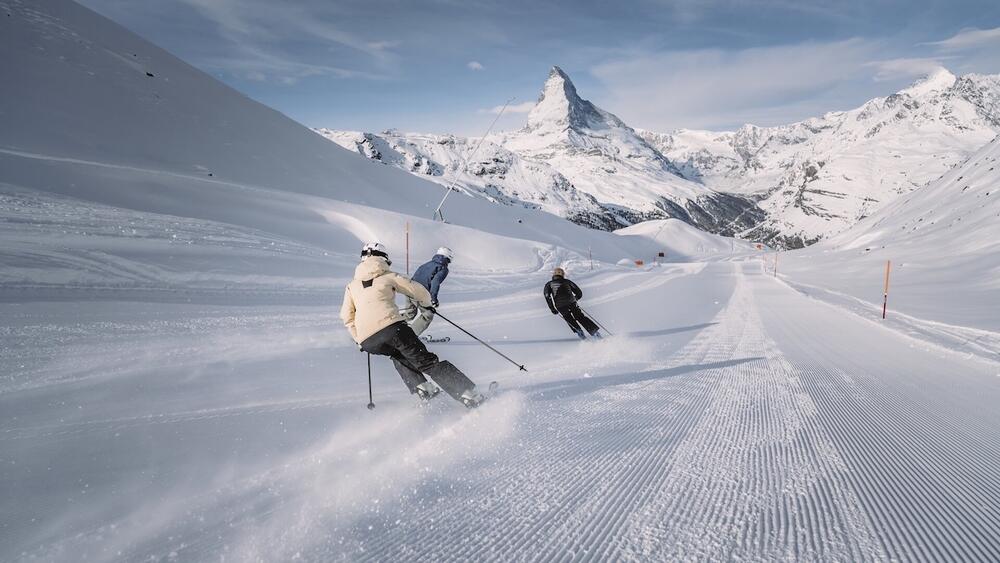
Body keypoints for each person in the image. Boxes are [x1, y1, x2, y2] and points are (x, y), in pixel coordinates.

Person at [340, 242, 486, 407]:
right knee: (428, 362)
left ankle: (422, 387)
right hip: (392, 329)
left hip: (369, 342)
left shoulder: (351, 287)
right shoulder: (388, 276)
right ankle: (468, 394)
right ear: (383, 258)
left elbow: (347, 317)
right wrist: (428, 303)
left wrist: (359, 339)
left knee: (399, 355)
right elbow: (416, 290)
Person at [400, 246, 453, 336]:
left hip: (409, 288)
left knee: (410, 313)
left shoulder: (427, 264)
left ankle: (392, 328)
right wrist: (433, 299)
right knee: (427, 315)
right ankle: (409, 337)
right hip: (419, 292)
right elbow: (435, 282)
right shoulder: (443, 268)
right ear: (448, 257)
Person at [544, 267, 602, 340]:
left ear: (553, 275)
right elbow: (579, 293)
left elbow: (547, 296)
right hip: (571, 303)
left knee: (568, 318)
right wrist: (575, 299)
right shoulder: (568, 282)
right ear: (563, 274)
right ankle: (595, 332)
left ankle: (579, 332)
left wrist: (552, 308)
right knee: (580, 317)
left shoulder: (549, 284)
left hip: (560, 306)